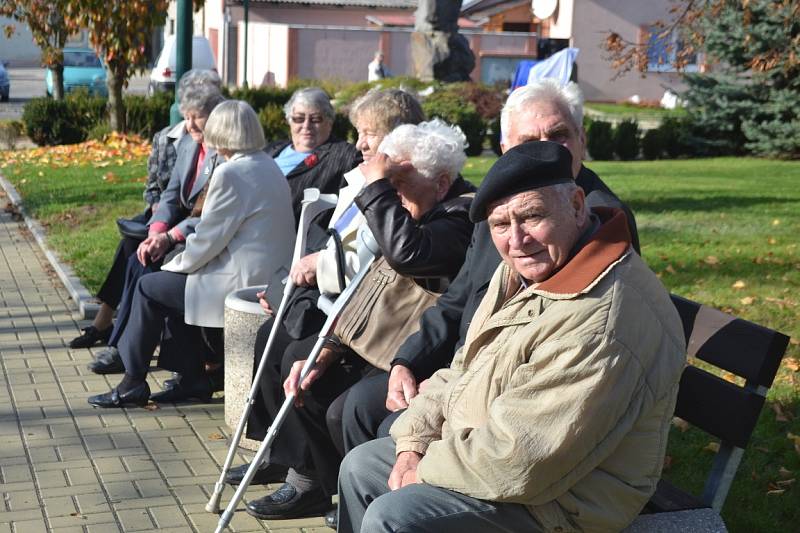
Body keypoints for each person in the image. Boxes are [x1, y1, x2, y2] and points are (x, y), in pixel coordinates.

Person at [337, 141, 686, 533]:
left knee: (396, 518)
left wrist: (425, 467)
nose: (516, 240)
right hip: (486, 448)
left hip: (563, 500)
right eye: (500, 225)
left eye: (532, 216)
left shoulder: (601, 319)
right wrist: (413, 442)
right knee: (362, 467)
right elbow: (464, 367)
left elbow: (524, 459)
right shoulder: (527, 272)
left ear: (575, 204)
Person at [338, 78, 642, 458]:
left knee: (387, 431)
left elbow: (573, 337)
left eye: (559, 134)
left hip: (518, 386)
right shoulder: (497, 206)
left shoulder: (597, 216)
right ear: (505, 149)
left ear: (581, 139)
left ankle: (398, 511)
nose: (546, 149)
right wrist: (407, 360)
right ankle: (366, 509)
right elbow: (458, 296)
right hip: (465, 364)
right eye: (528, 141)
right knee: (357, 408)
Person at [240, 119, 476, 522]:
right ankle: (321, 486)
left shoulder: (459, 217)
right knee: (306, 377)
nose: (394, 192)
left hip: (419, 353)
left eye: (402, 181)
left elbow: (408, 254)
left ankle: (366, 498)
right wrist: (328, 349)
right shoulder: (409, 209)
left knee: (347, 409)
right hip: (376, 339)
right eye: (391, 183)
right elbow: (368, 291)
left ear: (440, 184)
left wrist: (377, 189)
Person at [231, 88, 427, 485]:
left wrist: (317, 264)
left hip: (359, 310)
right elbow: (341, 234)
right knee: (271, 334)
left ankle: (309, 478)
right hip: (336, 297)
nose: (361, 143)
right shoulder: (361, 176)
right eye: (360, 131)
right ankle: (277, 453)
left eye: (370, 132)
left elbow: (361, 253)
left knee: (295, 355)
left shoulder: (397, 186)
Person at [87, 100, 296, 408]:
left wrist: (175, 264)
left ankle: (133, 381)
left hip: (240, 281)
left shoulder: (231, 174)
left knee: (150, 287)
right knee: (170, 287)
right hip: (264, 274)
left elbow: (208, 239)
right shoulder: (266, 164)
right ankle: (191, 379)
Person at [69, 69, 222, 349]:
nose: (189, 125)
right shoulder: (179, 141)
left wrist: (165, 235)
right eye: (186, 116)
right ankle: (113, 333)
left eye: (196, 116)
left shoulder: (221, 148)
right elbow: (166, 192)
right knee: (135, 247)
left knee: (138, 256)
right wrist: (157, 227)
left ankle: (120, 342)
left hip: (194, 231)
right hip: (165, 220)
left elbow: (208, 213)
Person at [266, 87, 361, 226]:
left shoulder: (345, 156)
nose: (306, 126)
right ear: (289, 121)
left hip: (297, 238)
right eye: (299, 118)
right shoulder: (271, 149)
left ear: (329, 122)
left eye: (315, 119)